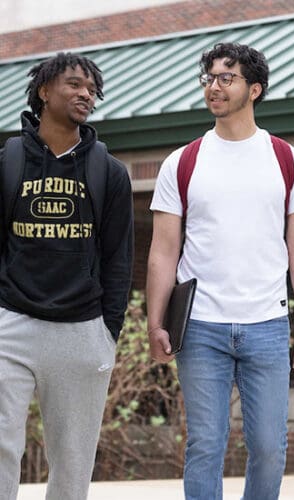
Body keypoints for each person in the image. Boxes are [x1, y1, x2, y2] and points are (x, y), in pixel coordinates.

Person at [146, 42, 294, 500]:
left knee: (268, 447)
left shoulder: (286, 160)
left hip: (266, 323)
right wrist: (154, 322)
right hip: (201, 325)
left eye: (227, 78)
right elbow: (163, 251)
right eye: (209, 78)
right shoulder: (182, 162)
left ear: (255, 89)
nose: (214, 87)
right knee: (206, 444)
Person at [0, 52, 133, 500]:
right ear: (44, 90)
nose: (85, 94)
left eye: (92, 89)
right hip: (11, 324)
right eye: (75, 84)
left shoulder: (107, 171)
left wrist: (105, 332)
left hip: (81, 330)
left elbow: (119, 259)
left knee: (73, 464)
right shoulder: (8, 162)